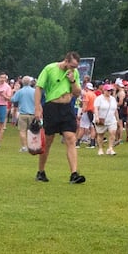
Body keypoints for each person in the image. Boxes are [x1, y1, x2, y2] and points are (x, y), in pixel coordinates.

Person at [34, 53, 85, 184]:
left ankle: (74, 173)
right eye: (72, 66)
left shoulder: (74, 73)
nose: (73, 69)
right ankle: (41, 171)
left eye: (75, 67)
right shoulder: (50, 68)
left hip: (67, 107)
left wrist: (72, 80)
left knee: (71, 138)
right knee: (48, 140)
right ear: (66, 61)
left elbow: (77, 93)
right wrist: (38, 107)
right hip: (52, 107)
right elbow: (39, 88)